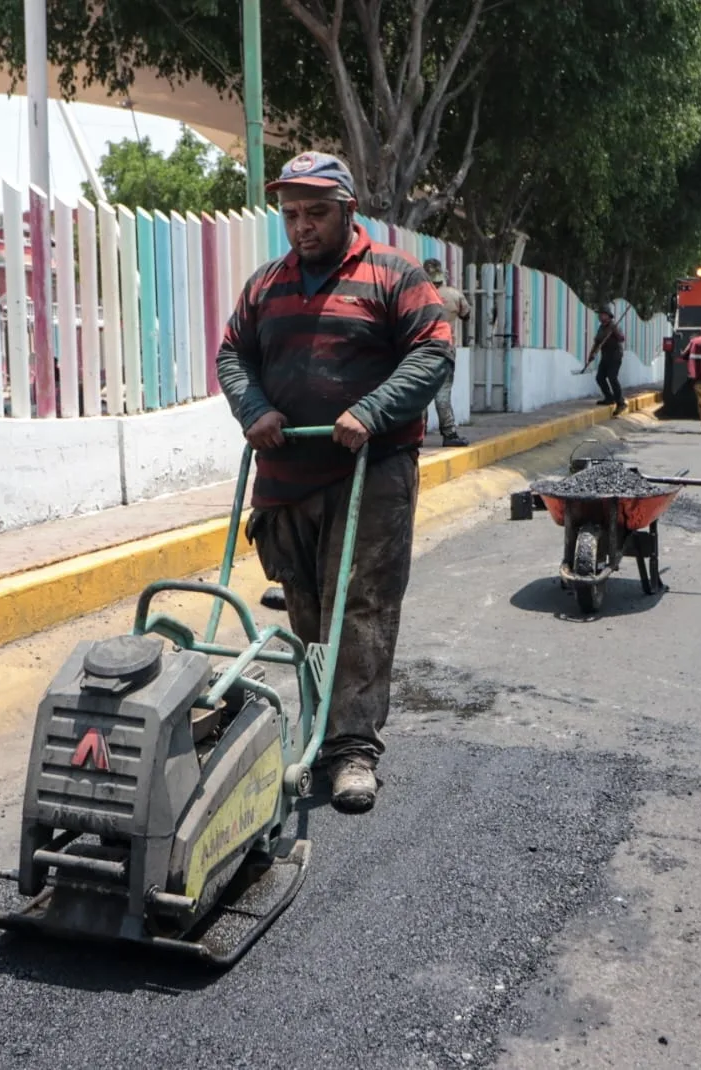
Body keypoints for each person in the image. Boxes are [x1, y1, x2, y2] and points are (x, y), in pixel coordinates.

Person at [216, 151, 453, 814]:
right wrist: (254, 409)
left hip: (369, 474)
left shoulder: (394, 276)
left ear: (348, 210)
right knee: (308, 612)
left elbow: (433, 351)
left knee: (363, 610)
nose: (301, 226)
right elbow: (233, 354)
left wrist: (373, 411)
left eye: (315, 212)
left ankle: (353, 749)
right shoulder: (266, 286)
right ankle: (318, 727)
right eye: (291, 215)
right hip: (288, 476)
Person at [423, 258, 471, 447]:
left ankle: (418, 432)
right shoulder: (454, 295)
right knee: (442, 394)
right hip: (444, 349)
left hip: (420, 350)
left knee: (419, 392)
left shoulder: (418, 293)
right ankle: (449, 434)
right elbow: (466, 315)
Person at [584, 307, 626, 414]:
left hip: (615, 356)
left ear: (608, 316)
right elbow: (597, 342)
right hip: (606, 356)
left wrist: (615, 332)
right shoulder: (601, 328)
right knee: (600, 377)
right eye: (600, 314)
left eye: (602, 314)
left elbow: (622, 338)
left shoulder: (614, 326)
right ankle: (609, 398)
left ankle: (621, 403)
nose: (600, 316)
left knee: (612, 377)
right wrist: (591, 355)